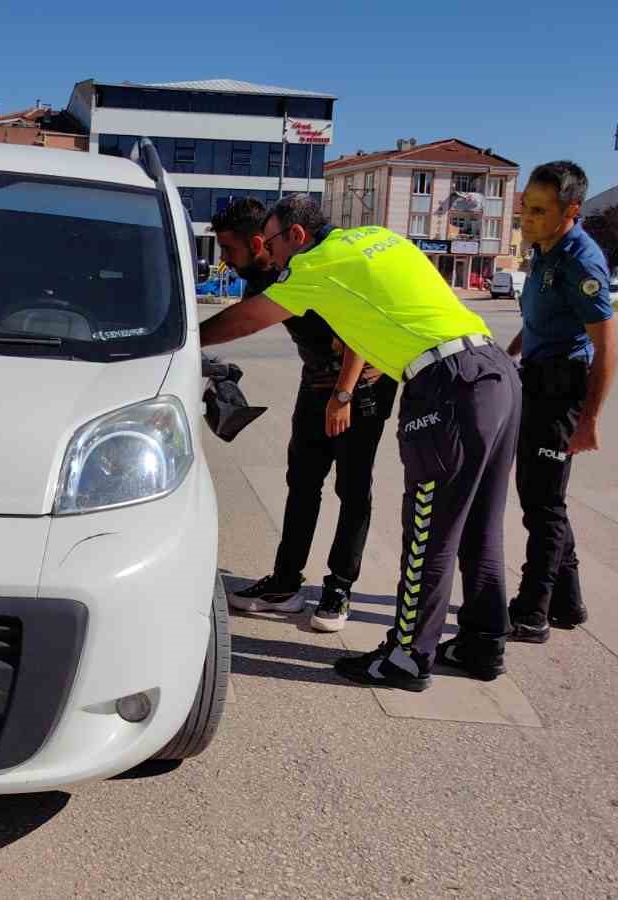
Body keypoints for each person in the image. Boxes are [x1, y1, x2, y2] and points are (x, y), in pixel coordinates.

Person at [200, 196, 520, 692]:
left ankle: (408, 658)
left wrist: (178, 338)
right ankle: (482, 641)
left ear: (298, 237)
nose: (273, 253)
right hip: (494, 369)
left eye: (275, 241)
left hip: (446, 384)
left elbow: (243, 319)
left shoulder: (312, 266)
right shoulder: (376, 238)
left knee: (428, 533)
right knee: (481, 524)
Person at [210, 198, 399, 632]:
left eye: (228, 249)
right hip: (316, 382)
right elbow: (244, 322)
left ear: (259, 242)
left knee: (352, 489)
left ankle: (339, 587)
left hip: (361, 383)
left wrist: (344, 395)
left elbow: (359, 329)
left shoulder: (313, 264)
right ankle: (285, 583)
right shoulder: (259, 274)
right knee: (303, 482)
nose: (224, 260)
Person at [503, 161, 617, 643]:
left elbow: (607, 345)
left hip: (563, 388)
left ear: (571, 210)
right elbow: (542, 319)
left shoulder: (580, 261)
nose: (526, 218)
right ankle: (567, 602)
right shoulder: (545, 250)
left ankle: (533, 610)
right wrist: (510, 351)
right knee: (542, 497)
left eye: (538, 210)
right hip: (536, 377)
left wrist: (588, 419)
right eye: (525, 207)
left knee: (543, 504)